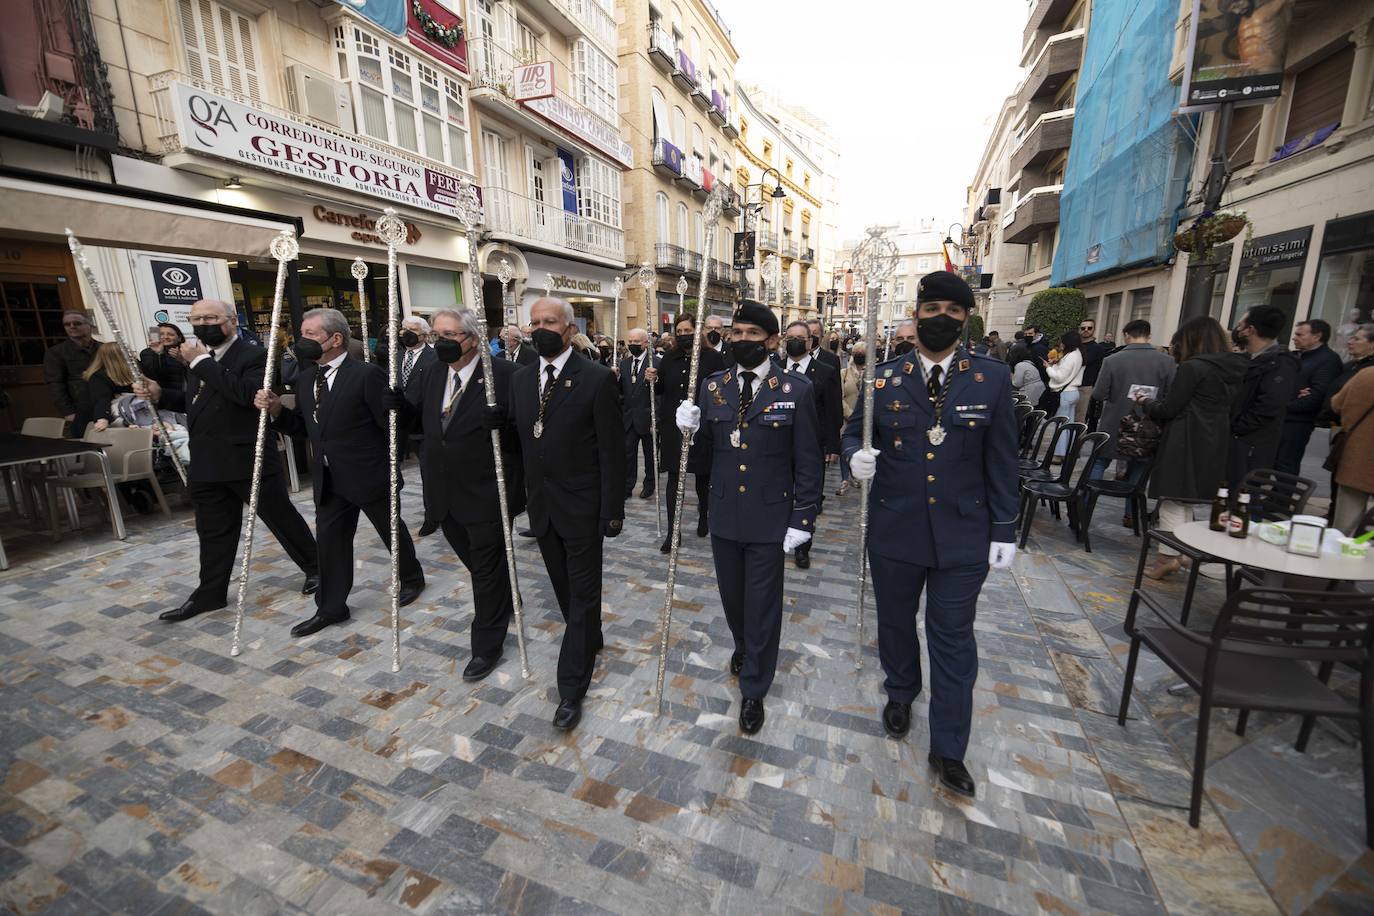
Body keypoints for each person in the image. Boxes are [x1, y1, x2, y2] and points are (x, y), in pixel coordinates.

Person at [843, 270, 1018, 798]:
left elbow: (1002, 458)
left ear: (966, 320)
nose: (942, 318)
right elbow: (852, 433)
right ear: (916, 315)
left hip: (964, 534)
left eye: (953, 311)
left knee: (953, 637)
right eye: (932, 309)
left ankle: (948, 746)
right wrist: (855, 458)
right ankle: (901, 690)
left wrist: (1004, 527)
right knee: (896, 623)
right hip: (895, 528)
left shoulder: (990, 379)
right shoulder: (883, 380)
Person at [674, 300, 821, 734]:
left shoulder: (795, 390)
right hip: (724, 513)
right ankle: (744, 645)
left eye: (751, 334)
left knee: (762, 606)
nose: (741, 340)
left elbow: (808, 461)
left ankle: (754, 687)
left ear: (772, 341)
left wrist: (803, 519)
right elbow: (703, 454)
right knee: (733, 600)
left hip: (770, 516)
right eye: (736, 333)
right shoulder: (713, 386)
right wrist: (689, 430)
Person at [135, 299, 319, 620]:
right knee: (212, 531)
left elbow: (245, 395)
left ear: (232, 321)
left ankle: (317, 568)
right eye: (196, 319)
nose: (202, 324)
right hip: (207, 460)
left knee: (280, 518)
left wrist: (201, 362)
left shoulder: (253, 355)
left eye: (210, 318)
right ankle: (210, 592)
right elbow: (197, 402)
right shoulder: (197, 359)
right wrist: (161, 395)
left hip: (247, 456)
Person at [254, 308, 426, 637]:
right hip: (329, 478)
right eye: (301, 333)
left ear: (335, 339)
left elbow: (392, 427)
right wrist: (276, 411)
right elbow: (306, 428)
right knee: (330, 543)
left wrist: (390, 461)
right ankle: (331, 606)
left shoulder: (366, 375)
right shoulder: (307, 378)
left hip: (368, 473)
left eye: (310, 334)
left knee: (391, 531)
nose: (301, 340)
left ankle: (411, 577)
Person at [513, 297, 625, 730]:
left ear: (570, 328)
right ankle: (589, 634)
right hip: (542, 507)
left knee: (582, 595)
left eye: (549, 322)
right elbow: (520, 440)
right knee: (563, 589)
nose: (540, 329)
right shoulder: (521, 379)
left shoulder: (596, 379)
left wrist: (612, 511)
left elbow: (612, 452)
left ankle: (572, 687)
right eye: (534, 322)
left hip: (582, 508)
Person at [395, 308, 523, 678]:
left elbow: (528, 434)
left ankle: (487, 644)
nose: (441, 342)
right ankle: (505, 595)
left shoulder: (506, 375)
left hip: (487, 491)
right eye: (437, 335)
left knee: (485, 569)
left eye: (449, 335)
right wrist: (398, 407)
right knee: (478, 562)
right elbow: (425, 422)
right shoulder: (434, 372)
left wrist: (506, 427)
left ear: (473, 338)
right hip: (444, 491)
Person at [1135, 317, 1248, 580]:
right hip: (1215, 439)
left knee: (1172, 498)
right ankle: (1184, 552)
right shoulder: (1235, 368)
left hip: (1185, 438)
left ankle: (1167, 557)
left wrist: (1146, 401)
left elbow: (1169, 408)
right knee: (1186, 499)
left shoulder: (1193, 368)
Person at [647, 314, 725, 552]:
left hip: (701, 427)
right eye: (679, 331)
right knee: (673, 478)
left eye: (687, 331)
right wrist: (652, 379)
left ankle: (704, 515)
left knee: (702, 476)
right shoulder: (670, 357)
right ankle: (674, 532)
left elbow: (720, 390)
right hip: (674, 427)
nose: (683, 335)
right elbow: (661, 388)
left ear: (697, 331)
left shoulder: (712, 358)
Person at [777, 320, 841, 569]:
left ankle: (803, 547)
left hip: (813, 445)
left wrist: (833, 446)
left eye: (799, 338)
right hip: (779, 445)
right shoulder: (774, 368)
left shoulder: (824, 370)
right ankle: (779, 537)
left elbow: (833, 410)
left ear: (809, 341)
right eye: (789, 338)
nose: (794, 342)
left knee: (808, 497)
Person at [1089, 319, 1176, 481]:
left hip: (1114, 422)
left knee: (1099, 462)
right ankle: (1130, 498)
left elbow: (1099, 394)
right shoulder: (1168, 362)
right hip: (1149, 424)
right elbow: (1170, 395)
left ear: (1126, 335)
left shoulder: (1112, 360)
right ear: (1149, 336)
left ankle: (1088, 496)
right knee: (1139, 468)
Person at [1229, 304, 1299, 487]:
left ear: (1250, 330)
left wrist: (1236, 427)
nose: (1237, 329)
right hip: (1240, 444)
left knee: (1244, 495)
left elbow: (1269, 406)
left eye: (1240, 325)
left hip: (1251, 447)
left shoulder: (1280, 363)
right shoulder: (1252, 359)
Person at [1275, 318, 1343, 475]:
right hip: (1282, 417)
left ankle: (1283, 491)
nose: (1294, 338)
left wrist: (1283, 406)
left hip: (1298, 422)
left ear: (1317, 336)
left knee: (1286, 464)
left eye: (1300, 334)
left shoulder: (1328, 360)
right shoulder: (1297, 356)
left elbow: (1317, 395)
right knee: (1272, 461)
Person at [1329, 366, 1374, 535]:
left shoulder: (1366, 374)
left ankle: (1341, 550)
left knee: (1344, 527)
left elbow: (1336, 404)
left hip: (1357, 456)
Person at [617, 326, 660, 501]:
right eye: (630, 341)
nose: (632, 344)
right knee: (628, 454)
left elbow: (661, 393)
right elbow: (621, 391)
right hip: (629, 417)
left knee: (650, 455)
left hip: (648, 417)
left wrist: (656, 417)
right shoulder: (624, 363)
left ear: (646, 343)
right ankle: (627, 486)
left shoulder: (656, 363)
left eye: (636, 341)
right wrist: (615, 378)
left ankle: (649, 485)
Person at [44, 309, 102, 437]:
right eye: (67, 324)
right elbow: (55, 384)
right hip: (79, 407)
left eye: (77, 323)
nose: (72, 326)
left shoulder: (103, 348)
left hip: (105, 404)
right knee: (85, 442)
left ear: (89, 325)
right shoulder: (56, 352)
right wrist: (68, 411)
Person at [1046, 331, 1084, 457]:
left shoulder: (1071, 356)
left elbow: (1059, 377)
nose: (1061, 344)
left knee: (1061, 425)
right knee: (1069, 424)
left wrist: (1048, 368)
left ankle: (1059, 453)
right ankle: (1068, 451)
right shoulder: (1078, 354)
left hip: (1066, 393)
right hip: (1073, 391)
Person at [83, 342, 135, 433]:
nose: (133, 354)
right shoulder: (98, 377)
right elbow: (101, 399)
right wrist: (102, 418)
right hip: (108, 421)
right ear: (119, 357)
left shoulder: (134, 369)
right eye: (129, 352)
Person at [836, 343, 865, 496]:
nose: (860, 354)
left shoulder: (874, 373)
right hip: (847, 418)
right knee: (844, 448)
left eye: (863, 351)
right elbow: (838, 397)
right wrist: (851, 414)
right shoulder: (844, 373)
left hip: (866, 420)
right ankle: (844, 479)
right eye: (857, 351)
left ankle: (855, 475)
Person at [1074, 317, 1108, 427]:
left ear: (1094, 329)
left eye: (1089, 328)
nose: (1086, 330)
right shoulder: (1075, 346)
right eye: (1083, 328)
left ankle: (1077, 437)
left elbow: (1082, 362)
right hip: (1070, 385)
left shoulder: (1097, 348)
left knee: (1079, 419)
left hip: (1085, 387)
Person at [139, 323, 187, 392]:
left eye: (170, 334)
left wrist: (183, 361)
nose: (165, 337)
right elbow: (155, 375)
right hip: (162, 395)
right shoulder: (147, 353)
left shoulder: (186, 352)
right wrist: (159, 354)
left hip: (186, 394)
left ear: (179, 338)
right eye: (161, 334)